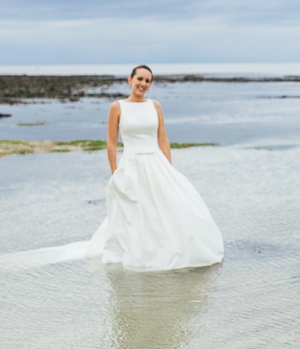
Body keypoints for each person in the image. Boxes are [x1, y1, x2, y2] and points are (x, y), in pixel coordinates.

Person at [86, 65, 224, 271]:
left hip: (156, 163)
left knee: (166, 208)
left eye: (148, 81)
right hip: (131, 165)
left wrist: (169, 169)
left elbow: (163, 139)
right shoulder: (117, 107)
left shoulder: (155, 106)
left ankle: (169, 248)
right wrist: (114, 171)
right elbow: (112, 143)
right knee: (136, 211)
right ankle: (138, 251)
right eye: (139, 79)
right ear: (129, 80)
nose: (143, 84)